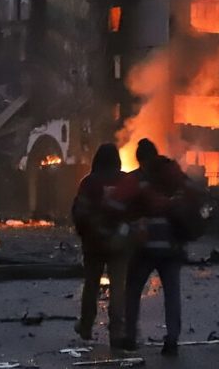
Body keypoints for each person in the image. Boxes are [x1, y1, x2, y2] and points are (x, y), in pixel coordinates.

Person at [119, 138, 200, 356]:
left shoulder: (137, 178)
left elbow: (119, 204)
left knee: (133, 290)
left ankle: (130, 336)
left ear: (140, 159)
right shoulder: (173, 174)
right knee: (172, 294)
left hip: (145, 247)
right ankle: (172, 339)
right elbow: (193, 192)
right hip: (172, 246)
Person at [71, 143, 131, 348]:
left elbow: (80, 212)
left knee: (91, 285)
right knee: (118, 288)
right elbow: (135, 210)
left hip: (93, 243)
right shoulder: (126, 181)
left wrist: (85, 233)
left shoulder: (88, 182)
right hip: (119, 243)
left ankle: (86, 326)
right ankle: (116, 331)